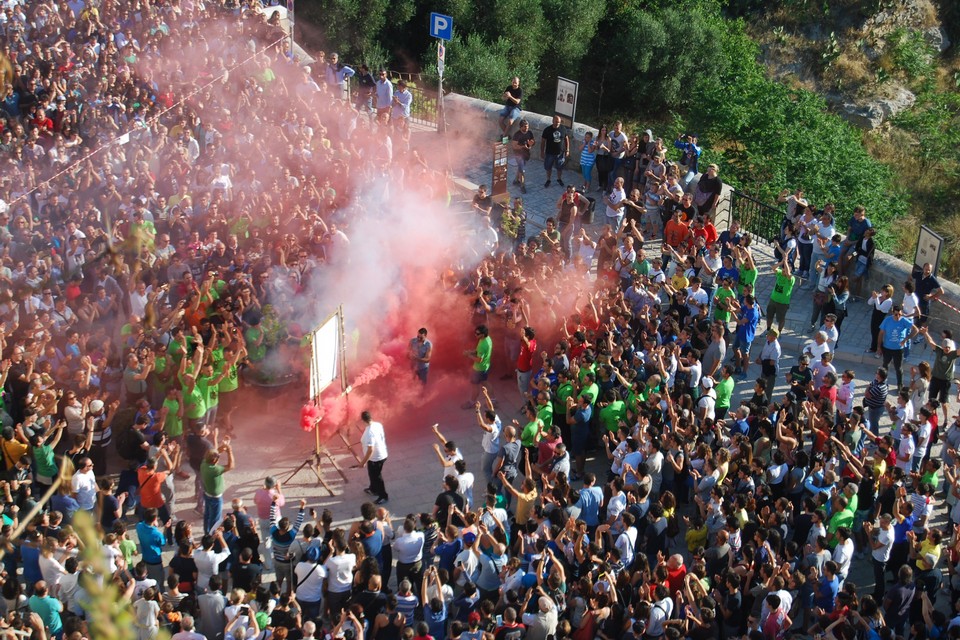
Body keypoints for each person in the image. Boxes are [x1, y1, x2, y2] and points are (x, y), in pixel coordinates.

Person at [878, 305, 918, 392]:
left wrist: (906, 339)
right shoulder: (887, 320)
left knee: (898, 368)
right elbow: (881, 333)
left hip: (898, 349)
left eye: (900, 314)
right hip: (887, 348)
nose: (898, 316)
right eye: (896, 314)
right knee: (885, 366)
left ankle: (900, 385)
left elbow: (915, 330)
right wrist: (878, 347)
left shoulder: (904, 320)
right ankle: (883, 383)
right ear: (893, 313)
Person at [200, 437, 235, 534]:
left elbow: (213, 454)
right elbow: (231, 466)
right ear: (215, 461)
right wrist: (229, 451)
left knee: (207, 515)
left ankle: (206, 532)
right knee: (214, 519)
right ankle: (212, 535)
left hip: (207, 494)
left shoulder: (204, 463)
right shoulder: (215, 470)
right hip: (216, 498)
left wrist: (222, 447)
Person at [359, 411, 389, 505]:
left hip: (376, 458)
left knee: (377, 476)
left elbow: (370, 450)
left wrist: (363, 462)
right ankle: (373, 489)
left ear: (363, 420)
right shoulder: (377, 424)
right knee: (372, 474)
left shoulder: (369, 432)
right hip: (380, 454)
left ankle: (383, 496)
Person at [463, 325, 493, 409]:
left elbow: (479, 360)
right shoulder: (487, 339)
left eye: (477, 334)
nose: (475, 335)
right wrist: (471, 352)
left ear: (483, 334)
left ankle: (472, 402)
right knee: (485, 383)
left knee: (475, 386)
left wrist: (468, 355)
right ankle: (493, 401)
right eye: (475, 333)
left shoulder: (482, 344)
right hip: (485, 367)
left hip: (479, 369)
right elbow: (478, 352)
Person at [511, 120, 535, 193]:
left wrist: (530, 145)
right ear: (521, 127)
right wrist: (522, 147)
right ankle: (522, 186)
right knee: (522, 170)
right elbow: (514, 146)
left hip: (526, 154)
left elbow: (532, 141)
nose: (526, 128)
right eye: (525, 126)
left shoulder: (529, 133)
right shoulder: (517, 135)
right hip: (518, 154)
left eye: (527, 126)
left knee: (520, 167)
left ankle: (516, 180)